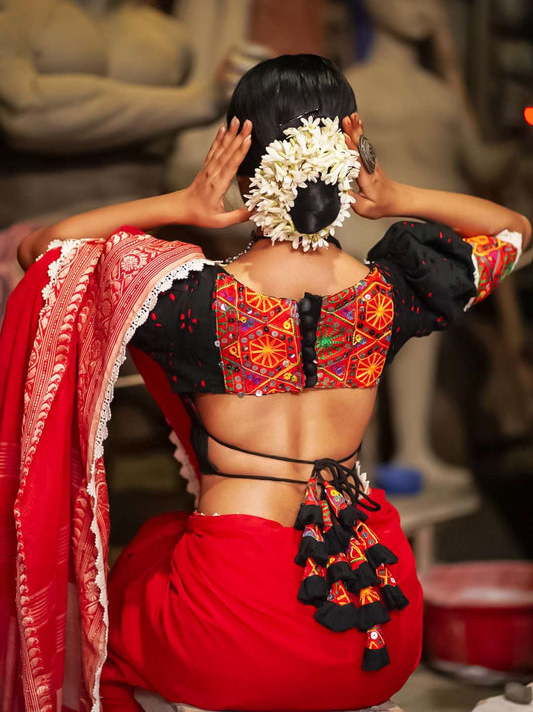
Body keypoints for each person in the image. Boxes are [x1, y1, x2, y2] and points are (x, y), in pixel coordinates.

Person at [4, 55, 530, 712]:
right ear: (349, 141)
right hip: (375, 625)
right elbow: (513, 230)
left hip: (231, 626)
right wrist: (396, 196)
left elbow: (41, 254)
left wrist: (182, 204)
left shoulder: (187, 300)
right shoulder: (385, 293)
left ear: (235, 159)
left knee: (128, 589)